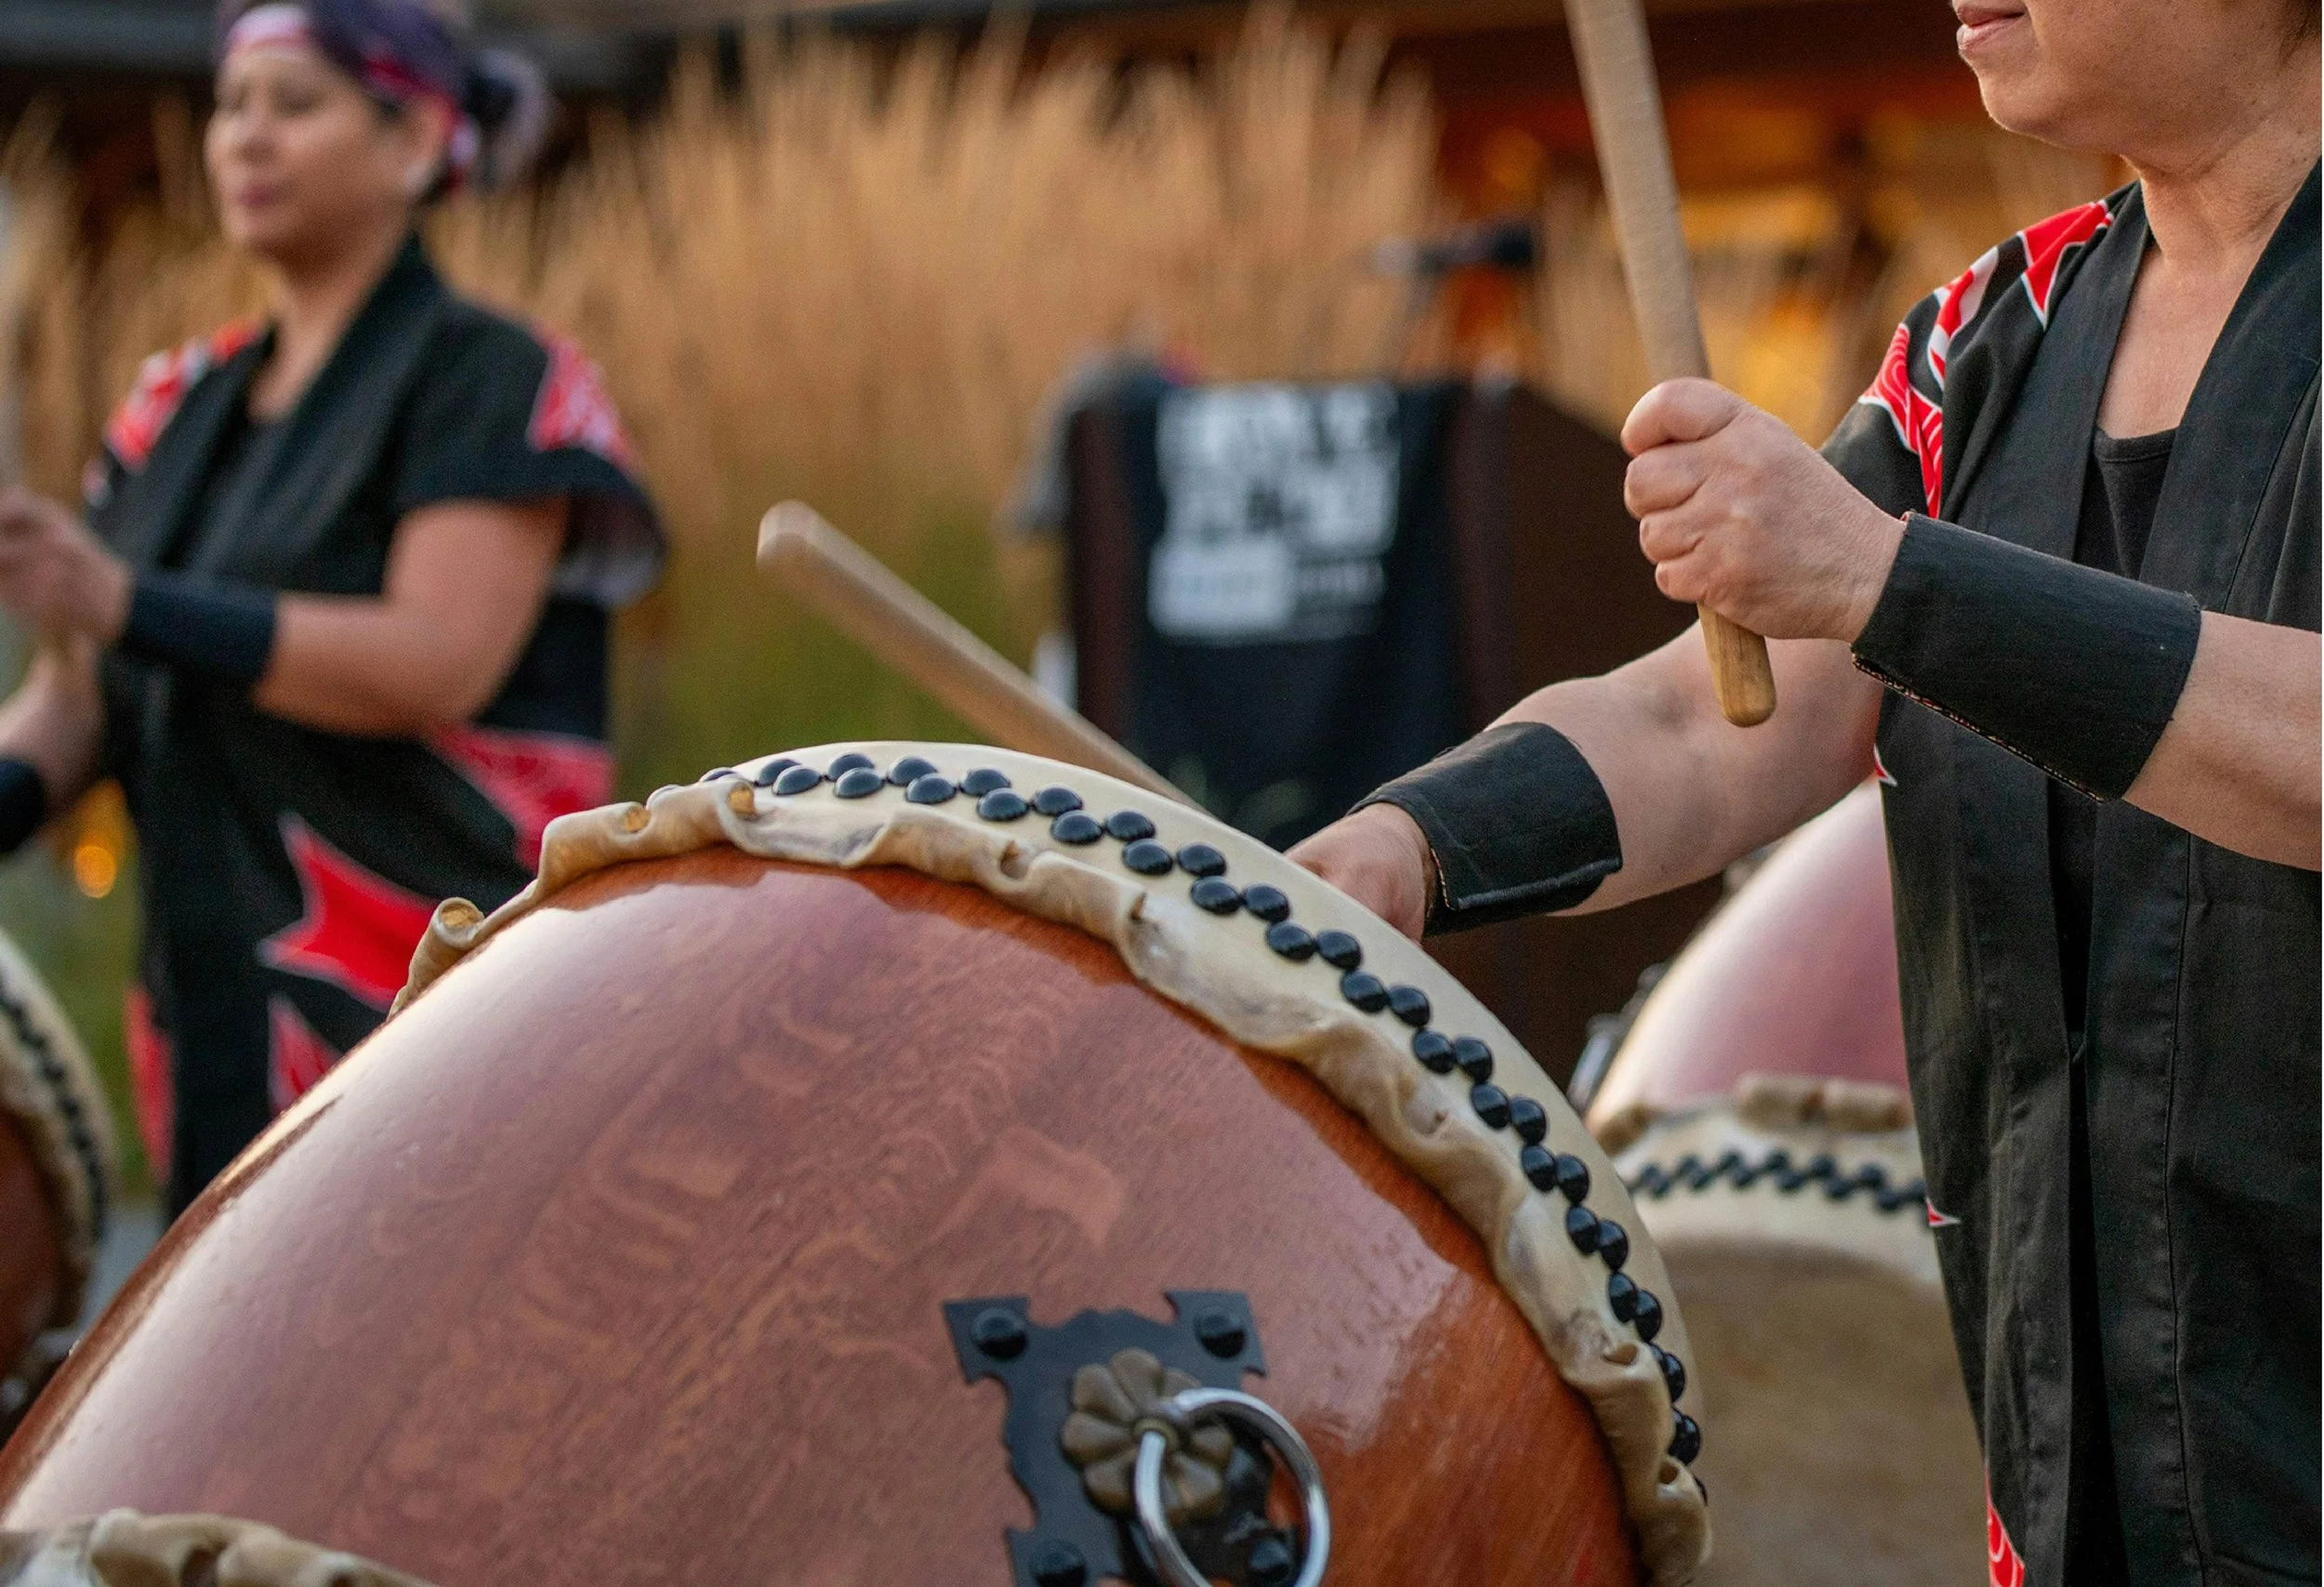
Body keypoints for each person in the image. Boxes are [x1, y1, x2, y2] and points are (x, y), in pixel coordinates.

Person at [1292, 1, 2317, 1581]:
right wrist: (1405, 845)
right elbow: (1724, 713)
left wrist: (1880, 575)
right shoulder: (1995, 341)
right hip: (2071, 1486)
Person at [0, 0, 663, 1215]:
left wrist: (126, 598)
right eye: (230, 107)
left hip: (444, 1015)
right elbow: (83, 686)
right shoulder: (172, 406)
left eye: (294, 105)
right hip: (213, 1012)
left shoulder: (499, 379)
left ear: (415, 143)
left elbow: (437, 658)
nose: (247, 137)